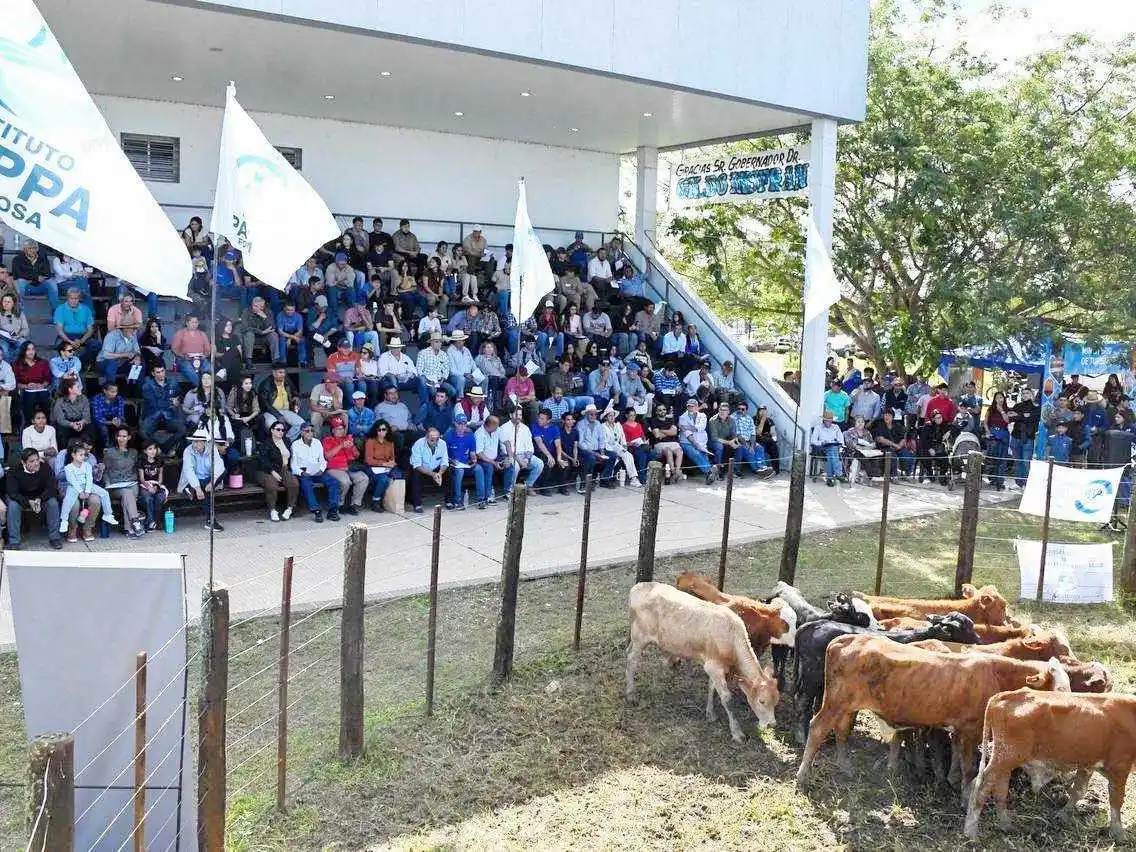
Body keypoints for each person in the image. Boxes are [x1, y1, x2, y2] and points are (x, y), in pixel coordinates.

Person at [59, 443, 118, 540]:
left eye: (84, 455)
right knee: (68, 501)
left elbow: (89, 478)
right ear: (73, 455)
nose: (83, 457)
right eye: (80, 455)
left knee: (104, 493)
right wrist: (81, 492)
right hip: (74, 487)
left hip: (87, 486)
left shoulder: (87, 465)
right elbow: (72, 481)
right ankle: (64, 521)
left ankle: (108, 514)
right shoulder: (68, 468)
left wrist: (87, 491)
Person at [7, 447, 62, 549]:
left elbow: (52, 488)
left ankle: (55, 538)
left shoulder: (45, 467)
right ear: (23, 463)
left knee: (53, 502)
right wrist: (28, 502)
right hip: (22, 499)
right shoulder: (14, 470)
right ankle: (14, 541)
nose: (36, 463)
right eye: (32, 461)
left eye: (37, 459)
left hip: (41, 497)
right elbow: (12, 493)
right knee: (12, 505)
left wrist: (40, 499)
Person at [291, 422, 341, 522]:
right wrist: (301, 473)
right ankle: (316, 510)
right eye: (307, 431)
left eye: (312, 431)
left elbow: (323, 460)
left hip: (317, 471)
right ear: (301, 433)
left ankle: (333, 509)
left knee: (334, 482)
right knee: (306, 483)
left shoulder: (317, 442)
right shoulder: (295, 445)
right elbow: (293, 465)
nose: (310, 433)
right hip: (304, 472)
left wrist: (321, 470)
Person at [178, 429, 226, 531]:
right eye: (195, 441)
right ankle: (210, 520)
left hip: (209, 478)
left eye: (200, 441)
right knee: (206, 490)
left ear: (205, 442)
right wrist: (198, 488)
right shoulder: (188, 451)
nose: (197, 443)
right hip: (195, 479)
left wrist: (212, 482)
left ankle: (192, 491)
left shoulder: (211, 448)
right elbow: (189, 471)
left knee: (223, 472)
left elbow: (219, 465)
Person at [255, 418, 300, 521]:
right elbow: (263, 460)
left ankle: (289, 508)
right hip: (267, 470)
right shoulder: (266, 443)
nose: (281, 432)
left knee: (294, 483)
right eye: (278, 429)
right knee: (271, 485)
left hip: (284, 468)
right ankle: (273, 510)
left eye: (283, 430)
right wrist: (273, 472)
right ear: (272, 430)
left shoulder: (287, 441)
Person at [322, 416, 369, 514]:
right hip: (335, 468)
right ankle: (340, 504)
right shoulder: (327, 440)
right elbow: (327, 456)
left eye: (342, 428)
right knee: (345, 481)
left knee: (363, 478)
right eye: (338, 429)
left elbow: (357, 455)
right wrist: (341, 445)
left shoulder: (348, 438)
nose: (341, 431)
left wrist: (352, 447)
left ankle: (354, 504)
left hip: (350, 467)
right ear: (333, 430)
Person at [104, 426, 143, 536]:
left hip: (131, 483)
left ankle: (129, 529)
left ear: (129, 437)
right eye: (119, 436)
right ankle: (135, 521)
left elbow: (136, 469)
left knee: (127, 495)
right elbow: (105, 471)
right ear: (116, 437)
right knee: (127, 493)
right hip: (115, 486)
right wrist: (107, 483)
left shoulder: (134, 452)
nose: (121, 439)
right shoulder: (110, 452)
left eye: (124, 436)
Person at [140, 364, 185, 454]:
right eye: (158, 372)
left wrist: (178, 400)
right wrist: (171, 402)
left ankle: (164, 448)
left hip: (170, 415)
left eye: (162, 371)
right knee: (143, 432)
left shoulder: (173, 382)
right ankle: (157, 447)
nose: (161, 374)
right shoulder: (147, 386)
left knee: (182, 430)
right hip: (153, 414)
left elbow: (180, 395)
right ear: (153, 373)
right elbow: (154, 404)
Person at [499, 407, 544, 493]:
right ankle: (510, 490)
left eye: (520, 414)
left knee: (539, 464)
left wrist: (527, 459)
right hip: (510, 456)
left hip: (525, 455)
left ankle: (527, 486)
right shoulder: (503, 428)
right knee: (515, 467)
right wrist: (519, 460)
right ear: (511, 415)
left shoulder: (525, 428)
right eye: (517, 414)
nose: (519, 417)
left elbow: (530, 447)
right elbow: (505, 450)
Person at [53, 286, 99, 365]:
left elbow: (90, 330)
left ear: (79, 298)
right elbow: (59, 330)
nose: (74, 301)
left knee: (96, 345)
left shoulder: (86, 309)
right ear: (67, 298)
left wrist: (81, 341)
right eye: (72, 298)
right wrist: (70, 341)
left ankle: (81, 362)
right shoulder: (60, 309)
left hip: (83, 336)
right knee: (58, 345)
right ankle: (66, 365)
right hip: (67, 336)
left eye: (76, 298)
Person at [408, 426, 448, 513]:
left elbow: (445, 462)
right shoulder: (418, 444)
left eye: (437, 439)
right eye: (432, 440)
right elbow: (417, 465)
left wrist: (440, 473)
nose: (435, 442)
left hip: (436, 468)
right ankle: (417, 504)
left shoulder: (443, 443)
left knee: (450, 472)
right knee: (416, 475)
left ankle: (449, 501)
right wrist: (433, 474)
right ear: (426, 438)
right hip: (421, 468)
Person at [678, 397, 717, 484]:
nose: (690, 408)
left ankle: (710, 473)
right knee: (694, 452)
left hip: (701, 441)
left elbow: (701, 428)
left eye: (692, 406)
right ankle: (709, 471)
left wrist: (688, 427)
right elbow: (687, 434)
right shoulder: (682, 417)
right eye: (688, 406)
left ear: (697, 407)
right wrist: (696, 444)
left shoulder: (702, 416)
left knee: (702, 452)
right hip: (687, 442)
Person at [442, 413, 478, 509]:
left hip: (466, 463)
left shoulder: (470, 435)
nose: (462, 426)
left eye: (464, 424)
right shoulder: (449, 435)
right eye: (460, 424)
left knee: (478, 469)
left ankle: (482, 499)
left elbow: (472, 452)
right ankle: (457, 501)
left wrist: (474, 459)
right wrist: (451, 460)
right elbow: (443, 454)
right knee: (459, 471)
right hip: (452, 464)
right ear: (455, 424)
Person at [13, 341, 52, 429]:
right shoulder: (17, 364)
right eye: (28, 350)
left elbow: (48, 379)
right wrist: (27, 386)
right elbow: (15, 383)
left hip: (41, 389)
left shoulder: (43, 362)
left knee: (44, 396)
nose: (31, 352)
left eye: (33, 349)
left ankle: (46, 424)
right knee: (30, 396)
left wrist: (42, 385)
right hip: (26, 390)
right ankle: (29, 424)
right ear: (23, 351)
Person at [363, 420, 400, 511]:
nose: (381, 432)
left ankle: (390, 501)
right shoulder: (371, 441)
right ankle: (376, 501)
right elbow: (369, 460)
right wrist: (384, 464)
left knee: (398, 475)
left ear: (387, 430)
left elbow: (392, 457)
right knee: (383, 479)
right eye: (379, 430)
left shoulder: (390, 441)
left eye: (384, 429)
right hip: (372, 467)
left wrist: (392, 463)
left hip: (386, 466)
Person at [730, 402, 774, 478]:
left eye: (742, 409)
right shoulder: (733, 418)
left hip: (749, 441)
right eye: (738, 409)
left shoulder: (749, 418)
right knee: (748, 452)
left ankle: (762, 467)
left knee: (759, 447)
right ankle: (757, 470)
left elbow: (753, 434)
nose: (740, 410)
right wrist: (748, 447)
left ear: (746, 410)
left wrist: (753, 446)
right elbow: (738, 435)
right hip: (738, 441)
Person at [600, 407, 641, 488]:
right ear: (606, 417)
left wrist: (624, 447)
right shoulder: (602, 426)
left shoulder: (618, 425)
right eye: (610, 416)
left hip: (618, 447)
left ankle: (633, 478)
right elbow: (604, 441)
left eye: (613, 415)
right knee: (615, 458)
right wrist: (614, 451)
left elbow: (622, 438)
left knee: (628, 455)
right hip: (608, 448)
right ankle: (606, 479)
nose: (612, 417)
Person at [577, 403, 615, 485]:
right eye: (591, 414)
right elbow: (581, 443)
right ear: (586, 414)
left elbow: (602, 439)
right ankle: (586, 483)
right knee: (591, 458)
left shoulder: (598, 423)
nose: (594, 416)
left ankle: (604, 480)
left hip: (597, 450)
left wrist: (601, 451)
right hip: (585, 451)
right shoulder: (580, 424)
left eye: (595, 414)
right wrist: (594, 453)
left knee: (612, 456)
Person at [13, 240, 56, 309]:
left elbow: (47, 273)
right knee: (20, 282)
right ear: (24, 249)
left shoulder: (43, 258)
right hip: (27, 287)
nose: (32, 250)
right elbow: (17, 274)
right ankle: (20, 310)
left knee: (52, 283)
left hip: (40, 285)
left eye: (34, 248)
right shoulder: (17, 259)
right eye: (29, 248)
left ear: (37, 249)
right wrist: (36, 277)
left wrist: (29, 277)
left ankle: (55, 311)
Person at [52, 377, 94, 447]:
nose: (80, 388)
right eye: (77, 387)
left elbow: (87, 415)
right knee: (62, 431)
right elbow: (60, 419)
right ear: (70, 389)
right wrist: (72, 425)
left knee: (90, 429)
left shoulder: (84, 398)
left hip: (81, 422)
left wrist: (81, 422)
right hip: (67, 424)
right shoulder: (60, 401)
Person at [240, 296, 280, 369]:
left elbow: (273, 327)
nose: (257, 308)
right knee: (249, 334)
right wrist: (260, 332)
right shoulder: (246, 311)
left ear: (263, 306)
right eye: (255, 306)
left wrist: (265, 318)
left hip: (265, 337)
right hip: (252, 338)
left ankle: (275, 361)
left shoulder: (268, 311)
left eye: (261, 306)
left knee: (274, 335)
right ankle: (249, 362)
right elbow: (244, 328)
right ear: (252, 305)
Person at [1010, 388, 1039, 488]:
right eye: (1023, 393)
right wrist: (1024, 416)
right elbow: (1011, 417)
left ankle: (1028, 483)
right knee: (1017, 461)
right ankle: (1019, 483)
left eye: (1028, 393)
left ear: (1032, 394)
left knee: (1026, 461)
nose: (1026, 395)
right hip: (1015, 436)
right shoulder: (1017, 406)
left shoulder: (1036, 407)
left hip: (1029, 438)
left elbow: (1034, 418)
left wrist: (1019, 415)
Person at [136, 441, 168, 531]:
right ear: (145, 451)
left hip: (156, 485)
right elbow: (142, 479)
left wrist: (157, 486)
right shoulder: (141, 462)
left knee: (160, 498)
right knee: (148, 498)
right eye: (150, 449)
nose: (153, 451)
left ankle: (158, 521)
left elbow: (160, 478)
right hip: (145, 485)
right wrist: (149, 487)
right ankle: (151, 521)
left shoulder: (159, 461)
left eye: (154, 448)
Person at [415, 332, 454, 402]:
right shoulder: (423, 353)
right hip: (428, 381)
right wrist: (429, 381)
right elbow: (419, 371)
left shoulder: (443, 354)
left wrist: (442, 380)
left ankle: (445, 409)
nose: (439, 344)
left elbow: (446, 370)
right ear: (431, 342)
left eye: (440, 342)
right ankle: (428, 406)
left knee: (453, 391)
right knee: (433, 391)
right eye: (436, 342)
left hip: (440, 381)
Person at [530, 408, 563, 492]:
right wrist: (549, 456)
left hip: (552, 451)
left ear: (549, 421)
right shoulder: (534, 426)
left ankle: (562, 487)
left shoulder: (554, 428)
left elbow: (558, 445)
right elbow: (540, 443)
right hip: (539, 452)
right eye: (539, 418)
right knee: (547, 460)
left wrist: (559, 458)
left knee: (564, 461)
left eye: (542, 419)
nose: (539, 420)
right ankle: (543, 486)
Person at [985, 391, 1012, 490]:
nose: (999, 399)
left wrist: (1001, 411)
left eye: (1001, 397)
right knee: (993, 457)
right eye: (997, 398)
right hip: (993, 433)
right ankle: (992, 479)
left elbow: (1007, 421)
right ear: (994, 399)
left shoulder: (1007, 409)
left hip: (1004, 434)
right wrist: (988, 432)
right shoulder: (990, 409)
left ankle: (1000, 481)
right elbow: (985, 422)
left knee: (1002, 458)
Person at [810, 410, 845, 486]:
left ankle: (830, 478)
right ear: (823, 420)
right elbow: (813, 441)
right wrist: (821, 442)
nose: (828, 422)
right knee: (832, 452)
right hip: (822, 448)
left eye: (830, 421)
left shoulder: (836, 427)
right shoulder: (818, 427)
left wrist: (838, 443)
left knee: (832, 451)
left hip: (834, 447)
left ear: (832, 420)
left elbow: (841, 439)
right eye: (826, 421)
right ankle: (838, 474)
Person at [918, 410, 952, 484]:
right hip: (927, 447)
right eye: (938, 418)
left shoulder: (943, 425)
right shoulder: (927, 426)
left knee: (945, 458)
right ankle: (929, 473)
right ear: (933, 419)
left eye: (940, 417)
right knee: (926, 457)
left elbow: (941, 439)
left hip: (937, 447)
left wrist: (947, 434)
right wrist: (930, 449)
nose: (940, 419)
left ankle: (942, 476)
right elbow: (923, 440)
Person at [91, 381, 127, 449]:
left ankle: (120, 448)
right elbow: (98, 417)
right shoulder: (96, 399)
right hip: (101, 421)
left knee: (123, 427)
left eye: (116, 392)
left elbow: (120, 414)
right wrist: (111, 422)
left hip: (114, 419)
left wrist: (118, 420)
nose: (114, 394)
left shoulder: (119, 399)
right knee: (103, 429)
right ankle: (106, 448)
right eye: (112, 392)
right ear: (105, 391)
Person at [276, 301, 308, 366]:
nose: (290, 312)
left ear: (295, 309)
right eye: (288, 310)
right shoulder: (280, 315)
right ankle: (283, 361)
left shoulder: (298, 316)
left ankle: (302, 361)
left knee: (302, 340)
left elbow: (300, 331)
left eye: (292, 310)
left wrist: (290, 338)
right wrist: (291, 337)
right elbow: (280, 331)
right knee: (282, 340)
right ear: (284, 309)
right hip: (284, 334)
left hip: (296, 334)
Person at [0, 293, 29, 362]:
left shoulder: (20, 314)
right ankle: (8, 365)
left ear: (13, 303)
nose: (5, 304)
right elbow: (6, 327)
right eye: (4, 301)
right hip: (3, 338)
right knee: (4, 349)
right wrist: (13, 335)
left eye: (8, 302)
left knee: (24, 344)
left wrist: (19, 335)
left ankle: (14, 363)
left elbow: (26, 329)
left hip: (17, 336)